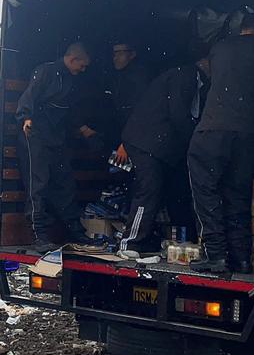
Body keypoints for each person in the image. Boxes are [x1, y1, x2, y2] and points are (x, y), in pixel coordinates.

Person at [187, 11, 254, 274]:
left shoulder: (221, 47)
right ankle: (241, 258)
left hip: (213, 130)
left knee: (206, 191)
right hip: (248, 134)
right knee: (238, 195)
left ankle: (215, 254)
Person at [114, 54, 210, 255]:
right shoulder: (185, 77)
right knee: (148, 190)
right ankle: (130, 242)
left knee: (163, 191)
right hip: (147, 143)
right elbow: (178, 114)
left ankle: (154, 238)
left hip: (155, 144)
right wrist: (194, 140)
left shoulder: (187, 78)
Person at [16, 41, 92, 251]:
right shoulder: (45, 71)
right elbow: (29, 95)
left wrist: (83, 128)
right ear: (73, 59)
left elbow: (71, 110)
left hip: (56, 138)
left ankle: (76, 231)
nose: (83, 70)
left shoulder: (71, 80)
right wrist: (26, 117)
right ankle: (38, 234)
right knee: (38, 184)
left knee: (65, 183)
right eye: (82, 65)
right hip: (35, 135)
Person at [103, 42, 155, 150]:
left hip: (133, 138)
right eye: (114, 54)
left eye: (120, 53)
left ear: (132, 54)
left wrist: (126, 142)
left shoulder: (140, 78)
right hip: (119, 135)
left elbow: (140, 112)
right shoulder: (115, 77)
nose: (115, 58)